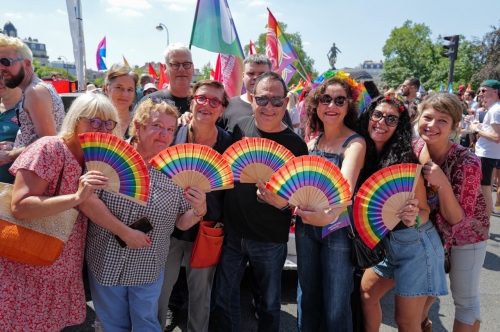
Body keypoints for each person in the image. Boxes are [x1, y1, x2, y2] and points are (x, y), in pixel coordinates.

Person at [80, 98, 207, 332]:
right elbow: (86, 201)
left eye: (170, 129)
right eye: (157, 126)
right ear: (138, 126)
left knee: (146, 324)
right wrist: (125, 232)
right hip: (106, 258)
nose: (164, 134)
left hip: (148, 263)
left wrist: (198, 212)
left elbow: (181, 221)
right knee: (113, 324)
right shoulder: (108, 154)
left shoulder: (177, 170)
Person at [0, 93, 120, 331]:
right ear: (75, 120)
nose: (102, 129)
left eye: (108, 123)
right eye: (94, 121)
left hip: (63, 263)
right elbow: (20, 206)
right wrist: (76, 197)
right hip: (28, 263)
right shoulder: (51, 147)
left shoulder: (95, 159)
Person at [215, 72, 308, 332]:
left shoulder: (296, 145)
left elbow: (300, 199)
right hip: (232, 233)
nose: (269, 107)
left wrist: (282, 203)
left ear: (287, 102)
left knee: (269, 303)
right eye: (263, 99)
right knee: (224, 296)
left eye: (276, 101)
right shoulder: (239, 127)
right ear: (252, 100)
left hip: (269, 238)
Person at [358, 95, 447, 332]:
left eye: (391, 119)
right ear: (368, 116)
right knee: (367, 295)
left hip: (417, 244)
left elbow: (425, 211)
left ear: (399, 126)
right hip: (388, 245)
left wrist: (414, 216)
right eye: (377, 115)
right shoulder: (360, 151)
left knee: (406, 321)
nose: (382, 122)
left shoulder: (405, 160)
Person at [293, 73, 366, 331]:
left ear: (349, 106)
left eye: (339, 100)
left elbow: (343, 191)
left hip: (337, 230)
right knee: (307, 296)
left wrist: (327, 216)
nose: (332, 105)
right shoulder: (311, 142)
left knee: (336, 303)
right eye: (326, 99)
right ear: (316, 104)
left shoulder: (355, 143)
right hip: (305, 228)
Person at [158, 80, 232, 332]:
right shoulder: (173, 134)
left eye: (215, 101)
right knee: (159, 292)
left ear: (222, 109)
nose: (207, 105)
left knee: (201, 296)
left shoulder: (229, 144)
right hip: (168, 227)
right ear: (192, 101)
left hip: (207, 229)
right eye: (201, 98)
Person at [415, 93, 489, 332]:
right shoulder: (416, 147)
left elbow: (457, 219)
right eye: (427, 117)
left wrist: (442, 182)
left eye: (442, 120)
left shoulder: (467, 161)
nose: (432, 125)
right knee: (417, 304)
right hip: (430, 234)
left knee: (465, 300)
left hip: (466, 237)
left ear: (455, 127)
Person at [0, 34, 65, 167]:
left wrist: (8, 156)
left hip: (38, 180)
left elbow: (48, 142)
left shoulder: (34, 91)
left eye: (5, 61)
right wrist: (16, 145)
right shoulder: (36, 89)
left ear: (27, 64)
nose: (1, 68)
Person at [217, 54, 293, 132]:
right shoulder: (227, 105)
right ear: (243, 76)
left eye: (261, 74)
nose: (256, 78)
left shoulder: (279, 110)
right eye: (251, 73)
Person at [467, 79, 500, 217]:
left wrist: (475, 129)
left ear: (495, 91)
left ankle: (484, 226)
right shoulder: (494, 109)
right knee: (483, 189)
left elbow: (496, 137)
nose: (480, 94)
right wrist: (481, 127)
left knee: (485, 190)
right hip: (487, 154)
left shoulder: (495, 110)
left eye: (484, 90)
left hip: (486, 155)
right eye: (479, 91)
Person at [139, 43, 194, 116]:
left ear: (193, 67)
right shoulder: (150, 103)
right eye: (175, 64)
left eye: (186, 64)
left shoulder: (207, 101)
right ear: (165, 68)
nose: (181, 69)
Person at [102, 63, 139, 138]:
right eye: (119, 88)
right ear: (106, 89)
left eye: (130, 90)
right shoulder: (94, 122)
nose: (125, 94)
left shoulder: (140, 125)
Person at [0, 80, 22, 183]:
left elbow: (45, 141)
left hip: (13, 187)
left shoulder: (29, 107)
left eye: (2, 76)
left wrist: (16, 148)